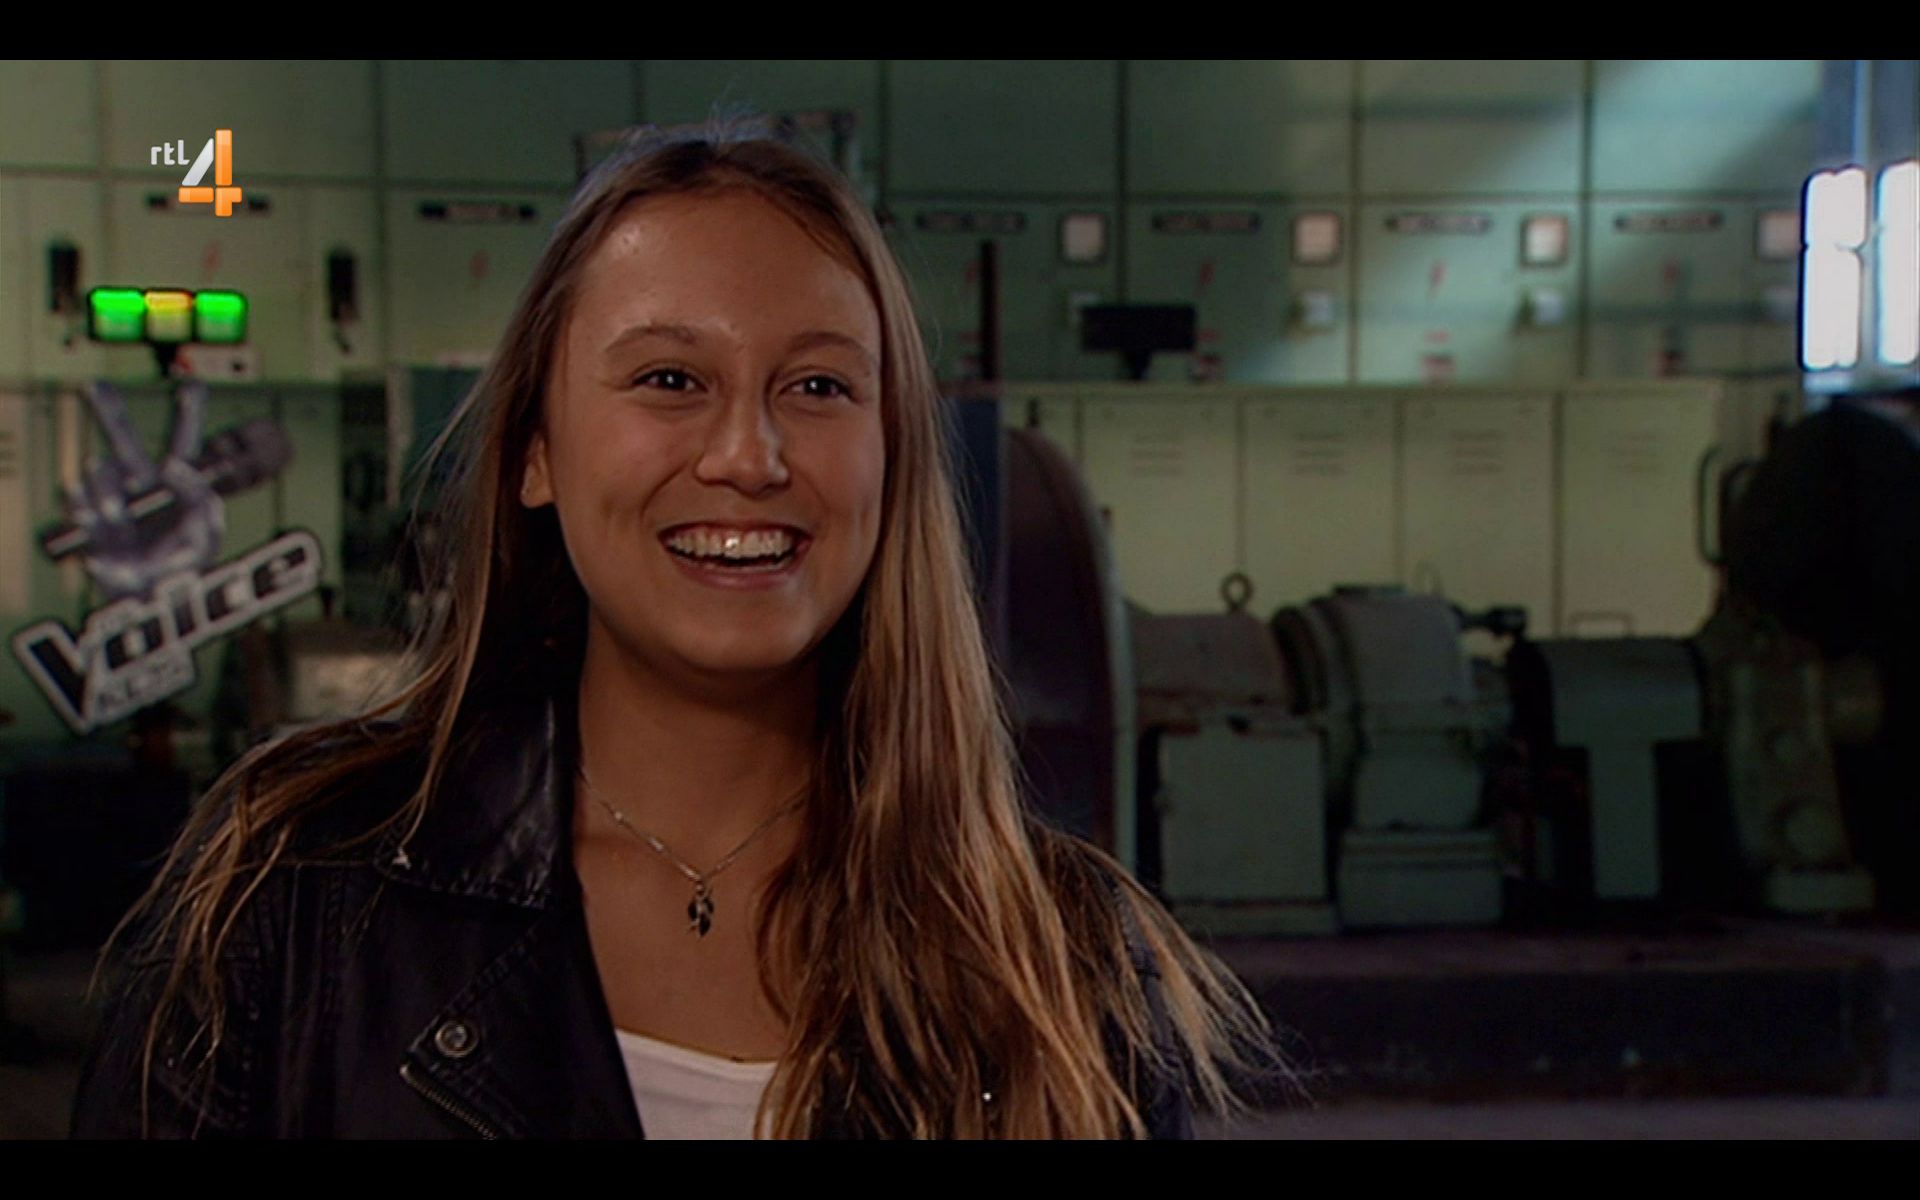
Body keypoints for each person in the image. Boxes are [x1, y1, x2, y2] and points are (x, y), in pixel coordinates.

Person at [69, 127, 1282, 1139]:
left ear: (892, 462)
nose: (748, 456)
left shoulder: (1061, 961)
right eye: (668, 380)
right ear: (536, 452)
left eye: (819, 387)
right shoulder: (293, 895)